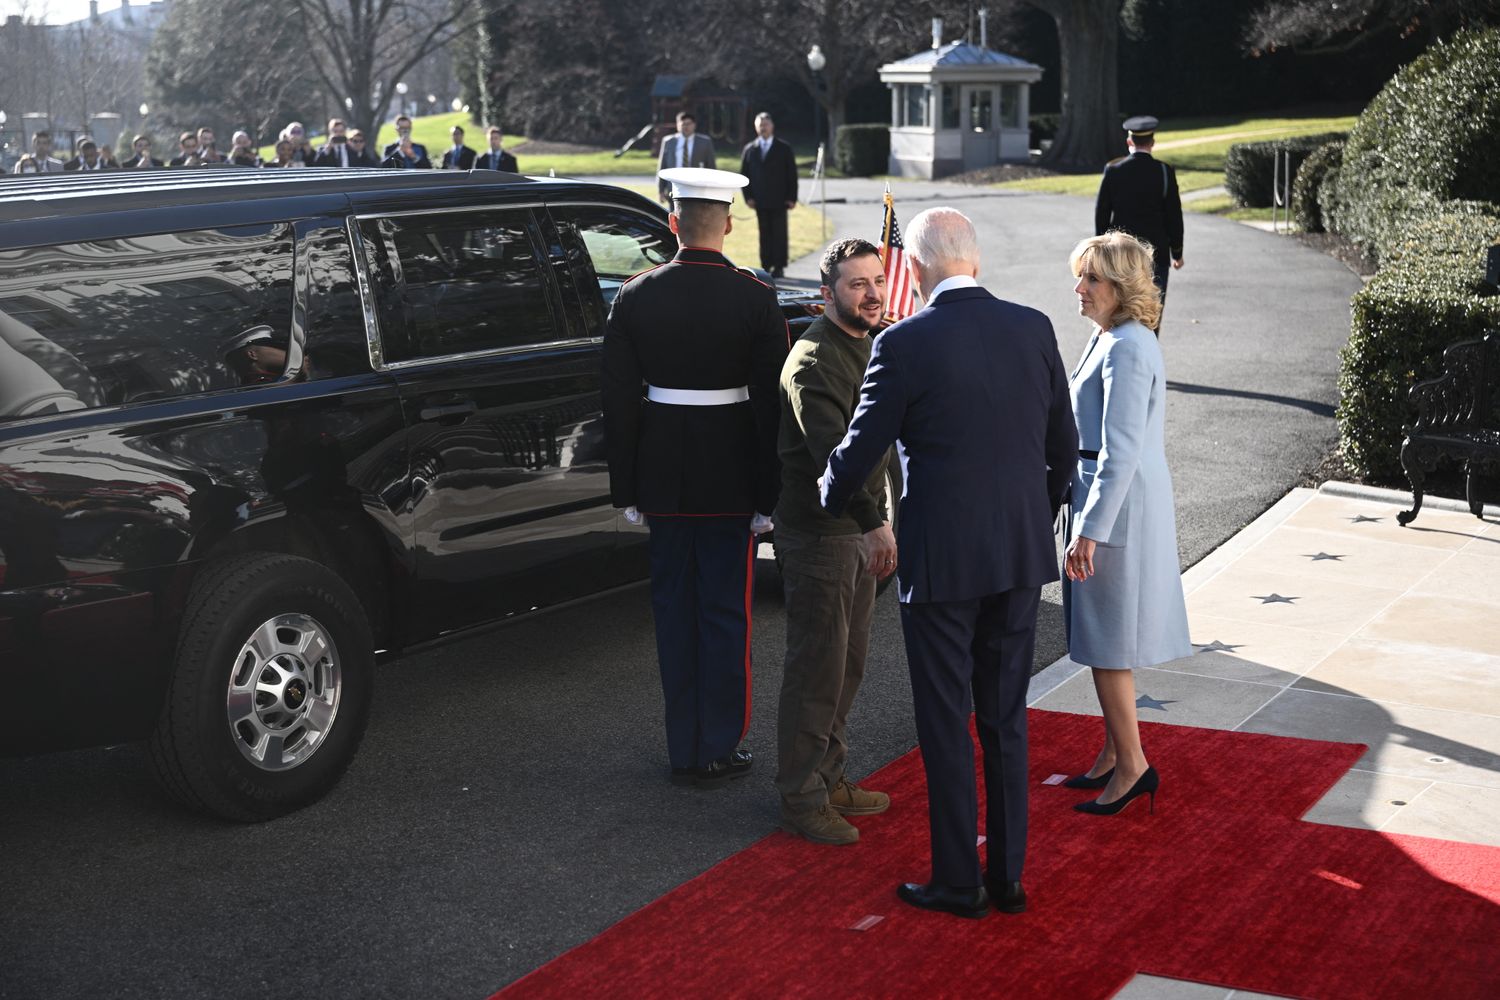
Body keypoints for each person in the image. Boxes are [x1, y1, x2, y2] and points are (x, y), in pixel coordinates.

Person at [821, 207, 1076, 919]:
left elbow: (861, 447)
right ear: (976, 260)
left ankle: (958, 881)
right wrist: (1031, 514)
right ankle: (1009, 878)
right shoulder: (1034, 327)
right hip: (1020, 555)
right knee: (1004, 720)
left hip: (940, 565)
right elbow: (1064, 448)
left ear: (922, 269)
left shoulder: (904, 343)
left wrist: (827, 492)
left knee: (945, 723)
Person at [601, 166, 788, 790]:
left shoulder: (635, 295)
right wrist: (770, 495)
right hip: (731, 477)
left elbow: (619, 402)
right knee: (725, 615)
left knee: (673, 614)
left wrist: (626, 489)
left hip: (663, 478)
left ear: (673, 224)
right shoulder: (756, 298)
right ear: (729, 225)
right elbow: (771, 408)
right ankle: (719, 743)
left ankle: (684, 747)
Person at [1061, 231, 1193, 815]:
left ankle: (1134, 766)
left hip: (1116, 504)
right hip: (1100, 493)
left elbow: (1120, 451)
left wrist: (1091, 530)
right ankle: (1116, 753)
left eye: (1090, 278)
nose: (1079, 288)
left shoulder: (1129, 347)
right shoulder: (1108, 336)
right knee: (1099, 635)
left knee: (1109, 640)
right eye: (1080, 276)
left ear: (1119, 286)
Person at [773, 237, 895, 846]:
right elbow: (833, 459)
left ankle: (829, 775)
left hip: (857, 530)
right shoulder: (815, 360)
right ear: (827, 295)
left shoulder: (869, 344)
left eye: (877, 280)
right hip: (822, 535)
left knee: (847, 667)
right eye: (856, 284)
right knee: (816, 670)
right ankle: (800, 797)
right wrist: (876, 522)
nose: (873, 293)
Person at [1094, 115, 1184, 331]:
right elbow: (1174, 214)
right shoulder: (1164, 171)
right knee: (1151, 310)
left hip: (1121, 254)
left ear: (1129, 142)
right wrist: (1177, 252)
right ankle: (1148, 355)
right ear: (1152, 143)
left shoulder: (1114, 170)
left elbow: (1102, 213)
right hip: (1157, 253)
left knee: (1120, 308)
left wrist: (1101, 248)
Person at [738, 112, 798, 278]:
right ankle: (766, 264)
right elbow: (744, 174)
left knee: (779, 233)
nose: (763, 127)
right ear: (756, 127)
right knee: (764, 234)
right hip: (759, 200)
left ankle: (779, 265)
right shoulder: (750, 149)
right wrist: (748, 197)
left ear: (772, 126)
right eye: (760, 125)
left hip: (780, 199)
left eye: (766, 124)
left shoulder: (783, 148)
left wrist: (791, 197)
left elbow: (791, 174)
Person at [657, 111, 716, 203]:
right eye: (683, 124)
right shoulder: (668, 141)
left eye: (688, 124)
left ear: (694, 125)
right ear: (677, 125)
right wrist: (660, 190)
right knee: (674, 216)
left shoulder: (705, 142)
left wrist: (712, 190)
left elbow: (711, 167)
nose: (686, 127)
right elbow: (662, 166)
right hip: (674, 188)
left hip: (697, 189)